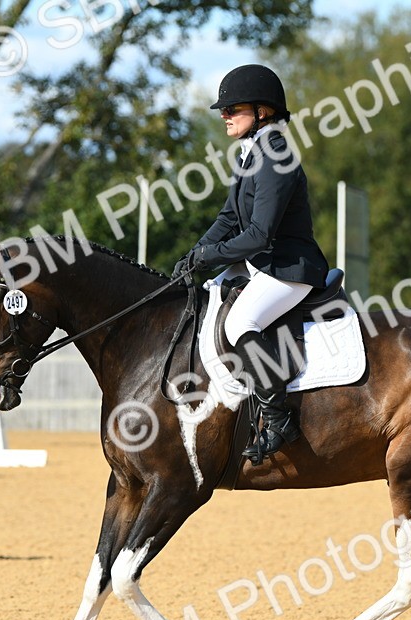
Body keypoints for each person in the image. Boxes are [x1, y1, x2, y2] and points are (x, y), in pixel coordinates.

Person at [177, 64, 330, 463]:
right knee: (208, 295)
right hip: (264, 264)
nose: (224, 116)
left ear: (262, 112)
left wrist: (208, 256)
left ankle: (278, 419)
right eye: (224, 110)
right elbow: (229, 218)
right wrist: (194, 254)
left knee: (240, 322)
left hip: (290, 268)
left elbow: (260, 234)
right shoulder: (252, 154)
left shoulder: (276, 156)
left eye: (233, 109)